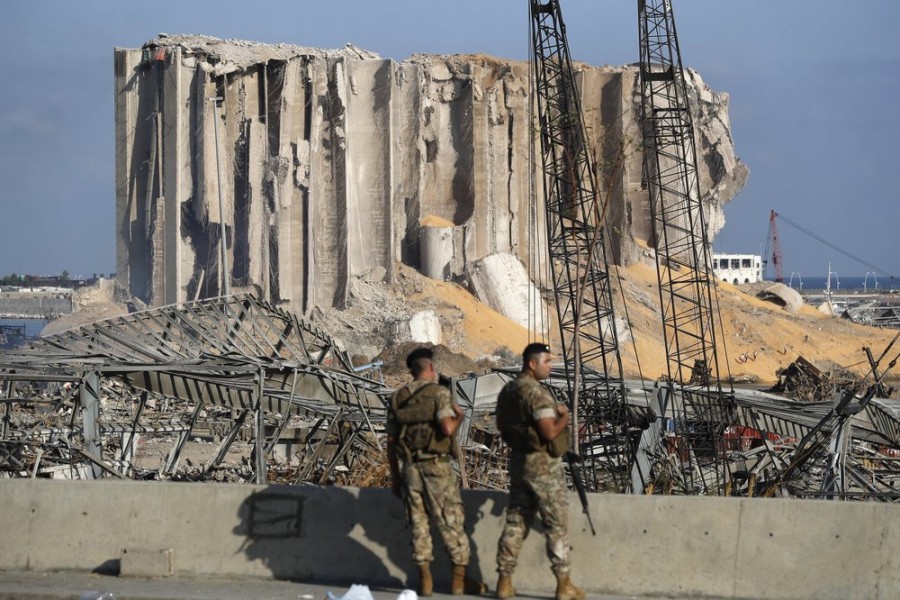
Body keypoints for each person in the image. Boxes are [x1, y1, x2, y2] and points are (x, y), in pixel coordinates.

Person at [387, 347, 485, 597]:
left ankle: (425, 581)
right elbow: (447, 428)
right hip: (437, 468)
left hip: (410, 469)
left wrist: (396, 478)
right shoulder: (439, 394)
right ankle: (459, 581)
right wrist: (459, 417)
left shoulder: (398, 398)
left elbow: (391, 441)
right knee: (451, 522)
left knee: (418, 524)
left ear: (412, 371)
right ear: (430, 368)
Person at [493, 343, 585, 600]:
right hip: (543, 466)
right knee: (556, 523)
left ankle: (504, 581)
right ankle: (564, 584)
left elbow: (500, 424)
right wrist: (564, 417)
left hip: (519, 462)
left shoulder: (509, 390)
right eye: (547, 361)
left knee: (516, 521)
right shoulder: (536, 393)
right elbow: (549, 432)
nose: (551, 366)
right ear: (532, 364)